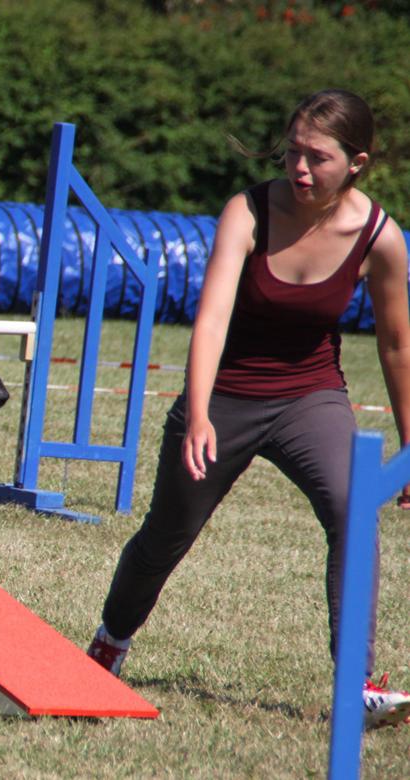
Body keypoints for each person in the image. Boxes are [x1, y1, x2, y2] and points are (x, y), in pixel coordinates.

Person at [85, 89, 410, 730]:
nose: (298, 168)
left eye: (317, 158)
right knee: (165, 536)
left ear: (357, 163)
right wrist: (199, 413)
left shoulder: (381, 238)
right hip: (225, 394)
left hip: (310, 395)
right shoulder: (249, 210)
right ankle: (109, 642)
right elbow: (211, 320)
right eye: (292, 151)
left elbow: (399, 345)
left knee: (354, 510)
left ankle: (358, 686)